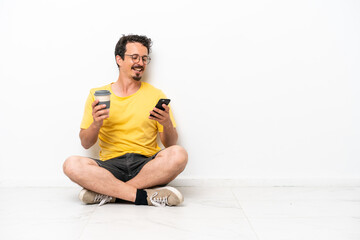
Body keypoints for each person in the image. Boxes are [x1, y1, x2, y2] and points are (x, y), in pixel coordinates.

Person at [63, 34, 188, 207]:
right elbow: (85, 143)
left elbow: (171, 144)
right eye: (134, 57)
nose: (140, 62)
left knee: (179, 154)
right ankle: (143, 196)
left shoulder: (156, 95)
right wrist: (96, 123)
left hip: (145, 165)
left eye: (144, 58)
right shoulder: (97, 95)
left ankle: (109, 193)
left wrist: (166, 123)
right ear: (119, 59)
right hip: (110, 167)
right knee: (71, 164)